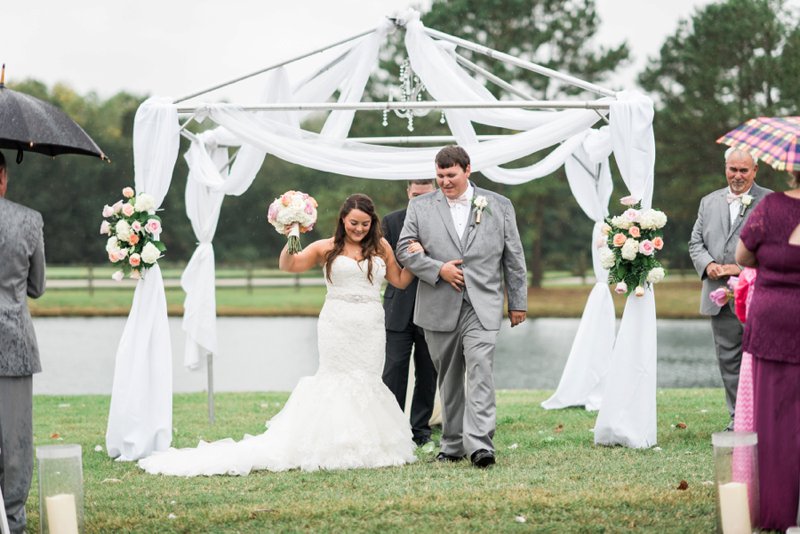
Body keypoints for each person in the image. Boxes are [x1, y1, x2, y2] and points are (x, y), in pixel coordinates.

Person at [140, 194, 422, 475]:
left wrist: (417, 258)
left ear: (372, 223)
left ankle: (368, 443)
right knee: (337, 378)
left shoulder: (382, 247)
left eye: (364, 224)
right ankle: (331, 443)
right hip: (337, 324)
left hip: (371, 324)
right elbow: (289, 265)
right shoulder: (327, 247)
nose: (358, 229)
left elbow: (399, 279)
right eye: (353, 223)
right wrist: (293, 235)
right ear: (342, 221)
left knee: (367, 379)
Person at [396, 146, 528, 469]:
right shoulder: (420, 207)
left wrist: (517, 301)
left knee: (480, 369)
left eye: (450, 175)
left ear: (468, 170)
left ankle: (481, 444)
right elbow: (403, 248)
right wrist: (437, 268)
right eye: (439, 176)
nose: (444, 182)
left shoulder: (499, 205)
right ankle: (452, 443)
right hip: (438, 304)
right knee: (449, 378)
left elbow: (514, 257)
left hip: (482, 304)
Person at [735, 170, 800, 532]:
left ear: (791, 168)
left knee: (774, 419)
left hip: (774, 319)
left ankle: (778, 513)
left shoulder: (771, 206)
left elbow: (742, 256)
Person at [688, 147, 771, 430]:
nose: (737, 175)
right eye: (732, 169)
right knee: (728, 359)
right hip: (719, 296)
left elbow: (777, 249)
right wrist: (708, 264)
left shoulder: (771, 202)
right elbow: (695, 243)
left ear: (755, 171)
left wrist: (741, 269)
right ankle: (739, 419)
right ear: (725, 168)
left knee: (762, 360)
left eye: (743, 170)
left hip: (758, 296)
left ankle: (764, 418)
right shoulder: (708, 202)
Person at [0, 150, 46, 534]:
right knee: (15, 439)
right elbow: (37, 287)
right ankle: (13, 520)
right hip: (13, 340)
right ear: (2, 176)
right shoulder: (29, 220)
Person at [382, 179, 438, 447]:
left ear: (435, 192)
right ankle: (391, 427)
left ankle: (420, 430)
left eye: (425, 195)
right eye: (415, 195)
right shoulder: (391, 222)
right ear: (408, 192)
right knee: (394, 370)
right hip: (398, 308)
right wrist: (412, 255)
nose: (419, 200)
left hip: (434, 307)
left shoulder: (444, 221)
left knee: (428, 373)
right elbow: (384, 261)